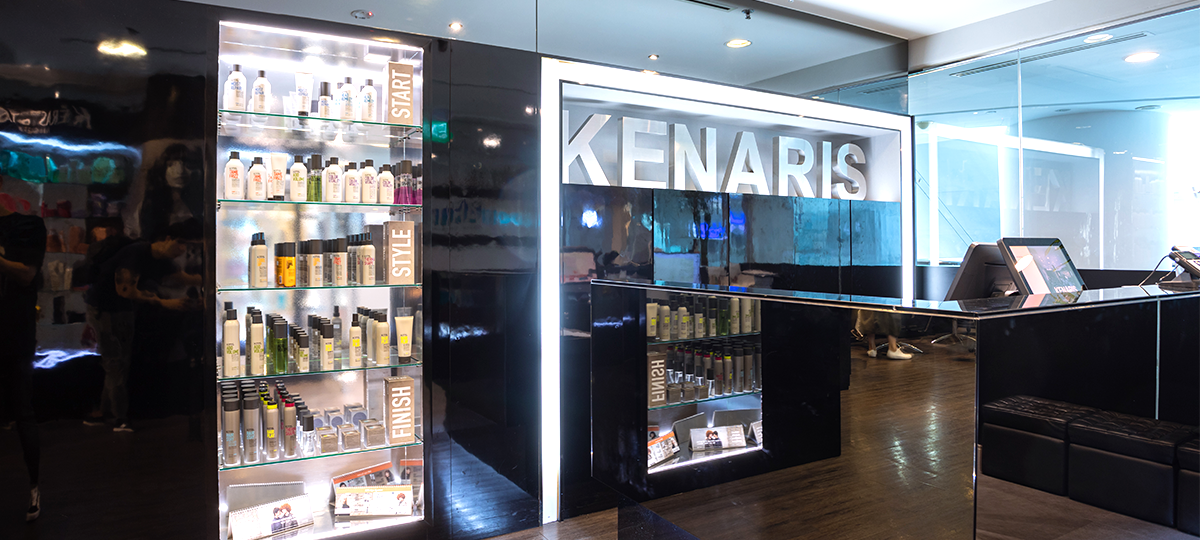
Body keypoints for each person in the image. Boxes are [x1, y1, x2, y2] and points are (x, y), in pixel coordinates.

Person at [83, 219, 202, 432]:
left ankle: (101, 413)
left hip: (122, 309)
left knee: (118, 362)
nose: (183, 249)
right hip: (104, 310)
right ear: (167, 239)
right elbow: (125, 290)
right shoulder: (136, 253)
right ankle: (120, 418)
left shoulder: (163, 260)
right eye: (181, 243)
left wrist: (220, 279)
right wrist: (164, 303)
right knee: (116, 363)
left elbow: (184, 278)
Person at [0, 174, 46, 521]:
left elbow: (27, 273)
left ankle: (34, 486)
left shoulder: (27, 227)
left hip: (13, 334)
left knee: (23, 410)